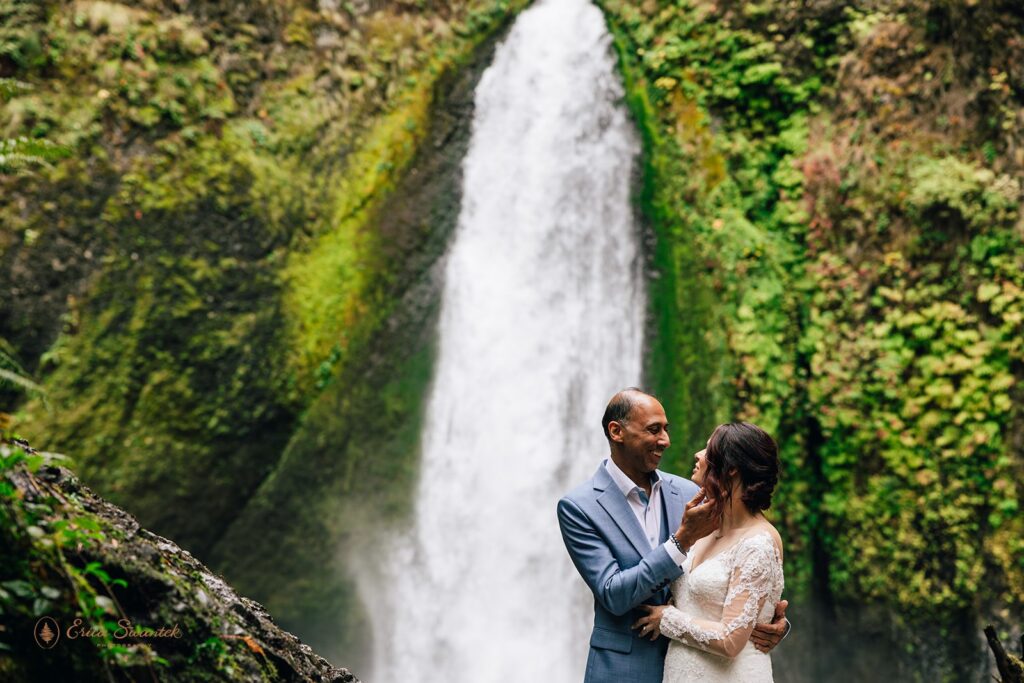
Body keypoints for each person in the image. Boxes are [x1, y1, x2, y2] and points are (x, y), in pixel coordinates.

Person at [557, 389, 789, 683]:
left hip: (710, 668)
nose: (666, 440)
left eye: (666, 429)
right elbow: (614, 594)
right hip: (625, 670)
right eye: (654, 430)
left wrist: (768, 620)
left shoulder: (691, 493)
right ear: (616, 432)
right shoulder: (580, 507)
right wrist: (681, 542)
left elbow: (744, 561)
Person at [632, 421, 786, 683]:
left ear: (733, 469)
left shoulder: (758, 541)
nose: (698, 455)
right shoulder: (700, 524)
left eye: (708, 449)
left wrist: (666, 618)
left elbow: (731, 639)